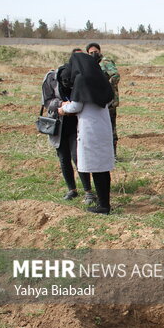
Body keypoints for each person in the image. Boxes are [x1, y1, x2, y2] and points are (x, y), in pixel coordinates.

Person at [58, 52, 115, 214]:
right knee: (103, 168)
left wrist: (63, 108)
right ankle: (105, 203)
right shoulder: (100, 78)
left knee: (96, 168)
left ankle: (103, 206)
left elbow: (76, 106)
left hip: (90, 129)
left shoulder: (81, 80)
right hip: (103, 127)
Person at [41, 64, 95, 204]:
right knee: (64, 158)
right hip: (58, 125)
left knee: (78, 158)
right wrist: (62, 103)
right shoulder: (50, 79)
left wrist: (74, 106)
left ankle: (88, 192)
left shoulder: (79, 79)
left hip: (76, 124)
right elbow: (47, 101)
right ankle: (72, 190)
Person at [85, 43, 120, 158]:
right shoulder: (91, 64)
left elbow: (115, 76)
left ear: (100, 51)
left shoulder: (105, 62)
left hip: (109, 102)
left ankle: (113, 155)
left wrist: (106, 87)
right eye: (91, 53)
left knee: (110, 127)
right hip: (97, 102)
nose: (94, 54)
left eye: (95, 52)